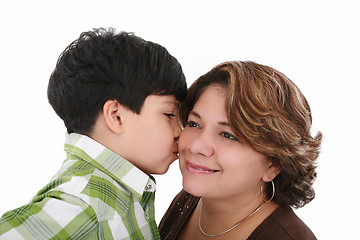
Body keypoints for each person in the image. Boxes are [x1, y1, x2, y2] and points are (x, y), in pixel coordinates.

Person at [0, 27, 187, 240]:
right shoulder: (84, 207)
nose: (180, 132)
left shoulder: (115, 197)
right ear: (116, 116)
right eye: (170, 114)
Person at [159, 61, 322, 240]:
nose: (196, 146)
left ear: (273, 165)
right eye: (193, 123)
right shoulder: (190, 200)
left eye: (228, 135)